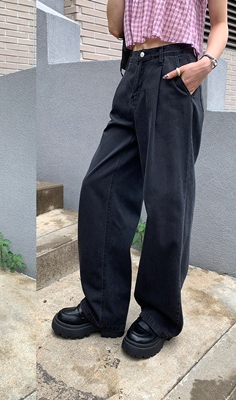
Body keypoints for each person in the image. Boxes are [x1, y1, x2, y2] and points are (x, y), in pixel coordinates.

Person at [52, 0, 228, 359]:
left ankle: (158, 314)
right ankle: (103, 307)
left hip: (177, 70)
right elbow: (116, 27)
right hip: (134, 70)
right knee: (101, 186)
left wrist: (206, 64)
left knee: (167, 198)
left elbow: (221, 22)